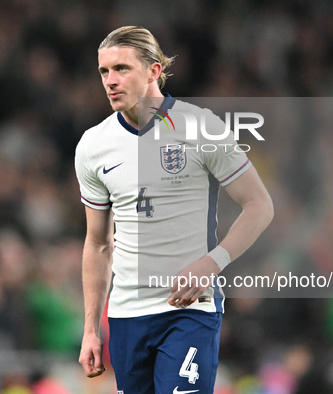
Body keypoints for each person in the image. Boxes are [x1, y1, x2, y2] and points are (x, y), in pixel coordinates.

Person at [75, 26, 274, 394]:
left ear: (153, 71)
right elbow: (98, 244)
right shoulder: (93, 146)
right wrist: (91, 329)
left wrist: (211, 264)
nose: (110, 81)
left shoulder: (201, 127)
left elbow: (259, 205)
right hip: (126, 316)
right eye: (104, 71)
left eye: (121, 69)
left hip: (188, 311)